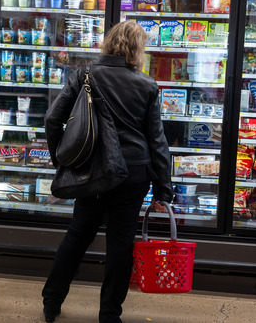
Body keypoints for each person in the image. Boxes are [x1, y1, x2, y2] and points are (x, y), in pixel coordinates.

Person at [41, 20, 174, 323]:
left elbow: (52, 120)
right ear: (137, 50)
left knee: (78, 235)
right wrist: (164, 188)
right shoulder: (147, 85)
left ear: (109, 43)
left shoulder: (84, 75)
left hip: (92, 171)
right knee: (121, 244)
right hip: (132, 173)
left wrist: (62, 161)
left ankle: (52, 302)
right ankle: (109, 314)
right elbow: (157, 141)